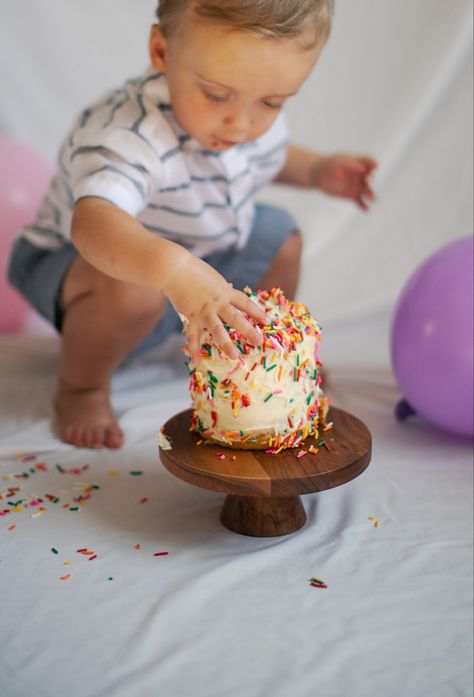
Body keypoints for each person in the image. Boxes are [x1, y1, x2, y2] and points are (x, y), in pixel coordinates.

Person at [8, 0, 377, 450]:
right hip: (81, 265)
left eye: (272, 103)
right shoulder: (129, 134)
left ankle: (263, 358)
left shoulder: (242, 117)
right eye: (216, 95)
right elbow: (93, 224)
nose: (240, 124)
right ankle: (81, 386)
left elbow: (265, 156)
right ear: (162, 52)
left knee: (282, 237)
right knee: (136, 287)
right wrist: (175, 272)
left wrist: (317, 169)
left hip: (197, 250)